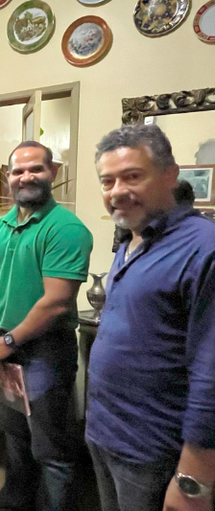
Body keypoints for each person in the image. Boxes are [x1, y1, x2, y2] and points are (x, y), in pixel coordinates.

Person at [87, 124, 215, 511]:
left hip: (153, 449)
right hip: (106, 432)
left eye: (132, 176)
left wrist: (195, 480)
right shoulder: (131, 239)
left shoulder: (203, 248)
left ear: (170, 175)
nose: (117, 192)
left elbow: (211, 374)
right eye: (107, 181)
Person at [0, 141, 93, 511]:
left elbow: (56, 301)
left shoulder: (67, 229)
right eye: (18, 170)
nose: (26, 176)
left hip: (44, 350)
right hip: (4, 345)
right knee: (13, 431)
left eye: (36, 169)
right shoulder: (0, 227)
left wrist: (7, 341)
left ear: (52, 173)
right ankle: (15, 499)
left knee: (51, 448)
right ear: (8, 178)